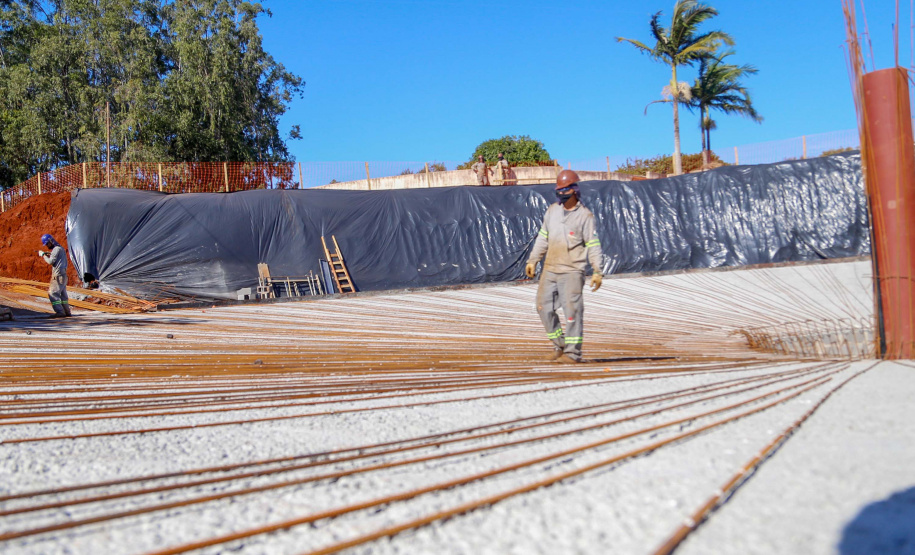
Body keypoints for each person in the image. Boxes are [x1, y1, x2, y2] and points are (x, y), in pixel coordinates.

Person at [525, 170, 603, 363]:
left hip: (572, 271)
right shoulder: (552, 211)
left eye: (565, 189)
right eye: (558, 189)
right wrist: (533, 259)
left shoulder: (585, 216)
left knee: (572, 312)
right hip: (550, 269)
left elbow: (593, 244)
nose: (561, 193)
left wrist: (597, 270)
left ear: (574, 190)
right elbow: (543, 237)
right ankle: (559, 345)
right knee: (543, 307)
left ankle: (572, 353)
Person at [38, 233, 71, 318]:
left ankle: (60, 312)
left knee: (52, 293)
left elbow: (50, 262)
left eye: (47, 244)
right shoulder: (61, 248)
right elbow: (57, 259)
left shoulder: (56, 249)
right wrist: (50, 254)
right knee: (63, 295)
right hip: (63, 275)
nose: (47, 246)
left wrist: (43, 255)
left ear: (51, 241)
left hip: (58, 275)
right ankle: (67, 311)